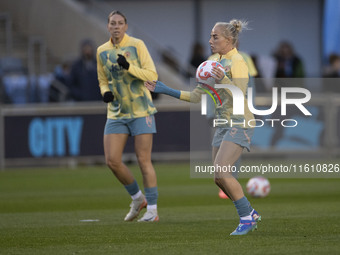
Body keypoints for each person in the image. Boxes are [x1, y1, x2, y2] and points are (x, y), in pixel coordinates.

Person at [145, 19, 261, 235]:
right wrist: (164, 89)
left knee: (222, 171)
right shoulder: (214, 62)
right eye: (210, 36)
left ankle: (247, 218)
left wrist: (224, 79)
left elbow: (241, 91)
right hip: (222, 124)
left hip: (240, 122)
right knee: (218, 178)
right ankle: (250, 213)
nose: (210, 40)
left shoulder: (238, 61)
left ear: (229, 40)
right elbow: (196, 96)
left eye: (215, 37)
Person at [96, 11, 159, 222]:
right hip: (116, 112)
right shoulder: (102, 51)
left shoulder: (137, 45)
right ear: (108, 27)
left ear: (125, 26)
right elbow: (102, 79)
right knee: (112, 161)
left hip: (141, 110)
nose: (116, 26)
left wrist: (129, 67)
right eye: (112, 23)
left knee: (143, 160)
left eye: (120, 23)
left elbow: (152, 75)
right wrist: (104, 92)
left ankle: (152, 210)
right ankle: (137, 198)